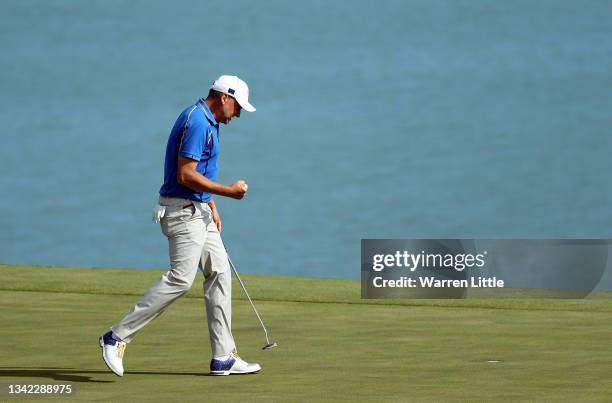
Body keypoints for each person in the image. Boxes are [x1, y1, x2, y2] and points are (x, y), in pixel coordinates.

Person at [99, 75, 261, 376]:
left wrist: (211, 204)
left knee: (220, 271)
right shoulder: (198, 122)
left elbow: (199, 172)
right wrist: (229, 192)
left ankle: (223, 356)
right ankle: (116, 336)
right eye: (237, 106)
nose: (238, 114)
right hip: (182, 213)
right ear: (224, 98)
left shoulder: (207, 121)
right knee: (180, 279)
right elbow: (185, 174)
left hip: (198, 209)